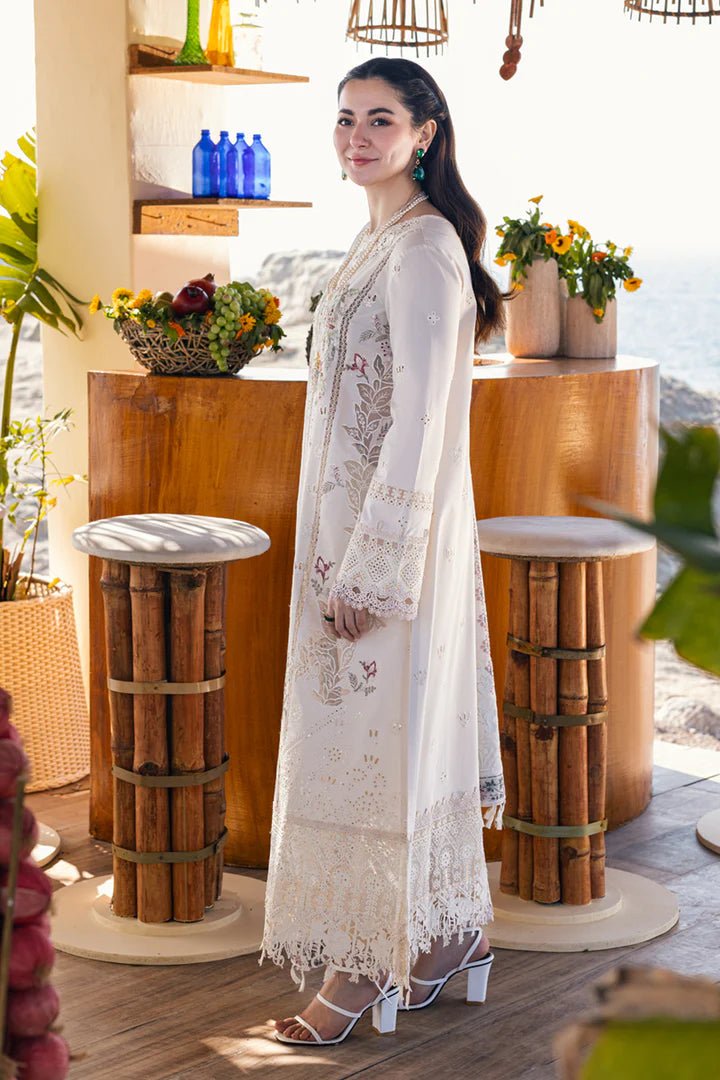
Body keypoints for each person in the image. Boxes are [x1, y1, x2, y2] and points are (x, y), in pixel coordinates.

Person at [260, 56, 509, 1047]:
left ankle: (362, 968)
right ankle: (449, 940)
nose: (358, 137)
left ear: (426, 135)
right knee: (371, 744)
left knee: (374, 749)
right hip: (348, 537)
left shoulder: (421, 250)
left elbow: (420, 420)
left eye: (380, 120)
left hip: (385, 552)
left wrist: (372, 569)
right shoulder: (377, 242)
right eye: (345, 120)